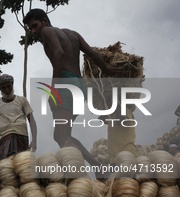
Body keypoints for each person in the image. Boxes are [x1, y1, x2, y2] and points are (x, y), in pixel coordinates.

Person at [23, 8, 117, 166]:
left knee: (62, 137)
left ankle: (88, 171)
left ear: (44, 21)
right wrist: (107, 70)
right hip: (80, 85)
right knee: (62, 135)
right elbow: (94, 54)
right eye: (31, 28)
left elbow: (59, 54)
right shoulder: (73, 34)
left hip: (65, 84)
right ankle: (97, 166)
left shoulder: (47, 31)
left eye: (35, 25)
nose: (34, 31)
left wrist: (54, 90)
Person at [0, 74, 37, 164]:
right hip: (5, 137)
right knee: (1, 166)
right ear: (0, 88)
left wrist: (34, 140)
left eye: (9, 86)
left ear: (12, 85)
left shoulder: (22, 100)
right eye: (3, 88)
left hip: (21, 136)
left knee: (22, 165)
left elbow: (32, 121)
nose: (7, 90)